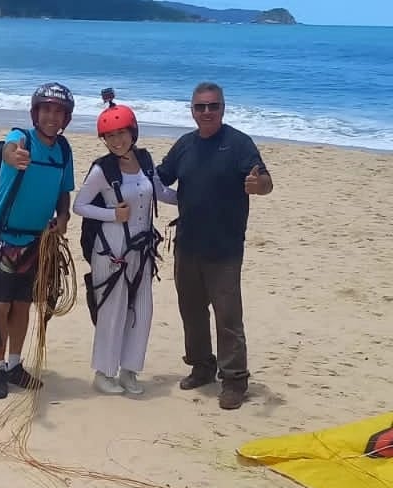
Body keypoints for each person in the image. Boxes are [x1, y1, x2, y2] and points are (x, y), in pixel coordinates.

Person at [156, 82, 273, 410]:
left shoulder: (238, 144)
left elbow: (265, 181)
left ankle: (235, 379)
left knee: (227, 317)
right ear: (192, 110)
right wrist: (125, 164)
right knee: (191, 311)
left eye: (213, 106)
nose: (207, 112)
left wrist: (258, 185)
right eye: (200, 107)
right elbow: (159, 178)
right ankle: (202, 366)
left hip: (225, 248)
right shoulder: (184, 145)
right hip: (187, 244)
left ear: (223, 108)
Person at [73, 93, 176, 395]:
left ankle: (130, 370)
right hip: (111, 249)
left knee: (142, 311)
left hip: (143, 249)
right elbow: (80, 205)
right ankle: (104, 373)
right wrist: (112, 214)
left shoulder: (144, 160)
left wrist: (191, 199)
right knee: (113, 311)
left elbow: (160, 192)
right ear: (103, 139)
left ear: (133, 132)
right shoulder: (101, 170)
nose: (117, 140)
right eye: (110, 136)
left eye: (122, 133)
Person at [0, 82, 75, 400]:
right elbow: (10, 152)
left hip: (37, 243)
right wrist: (14, 157)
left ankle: (14, 365)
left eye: (58, 111)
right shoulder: (20, 138)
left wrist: (62, 217)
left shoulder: (64, 151)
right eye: (46, 109)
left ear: (66, 117)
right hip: (3, 239)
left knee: (22, 306)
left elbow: (64, 191)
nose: (52, 116)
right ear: (35, 112)